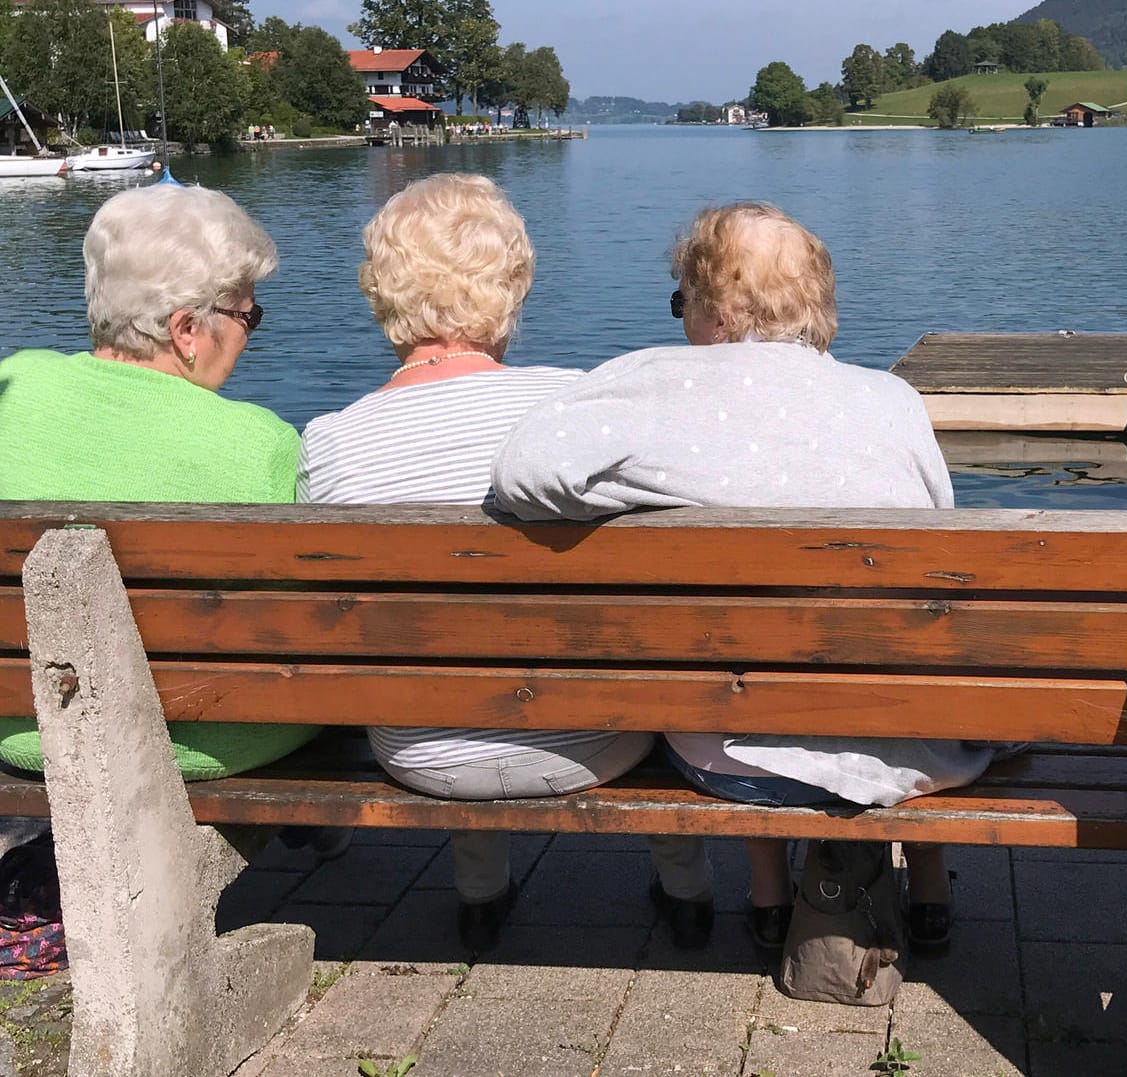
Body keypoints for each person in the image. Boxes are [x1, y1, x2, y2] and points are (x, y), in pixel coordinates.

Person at [492, 201, 997, 954]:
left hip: (730, 763)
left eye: (681, 302)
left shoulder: (655, 381)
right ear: (817, 303)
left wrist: (647, 492)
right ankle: (926, 889)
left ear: (714, 308)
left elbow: (522, 476)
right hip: (911, 750)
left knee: (735, 678)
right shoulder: (893, 400)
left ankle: (767, 899)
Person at [296, 173, 649, 953]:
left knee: (435, 642)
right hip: (596, 742)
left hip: (420, 750)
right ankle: (687, 888)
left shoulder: (333, 439)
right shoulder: (583, 404)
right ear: (510, 284)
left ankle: (480, 893)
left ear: (381, 293)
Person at [0, 183, 322, 781]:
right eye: (248, 315)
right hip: (210, 739)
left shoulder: (11, 385)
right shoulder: (262, 443)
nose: (251, 333)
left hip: (19, 725)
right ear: (186, 331)